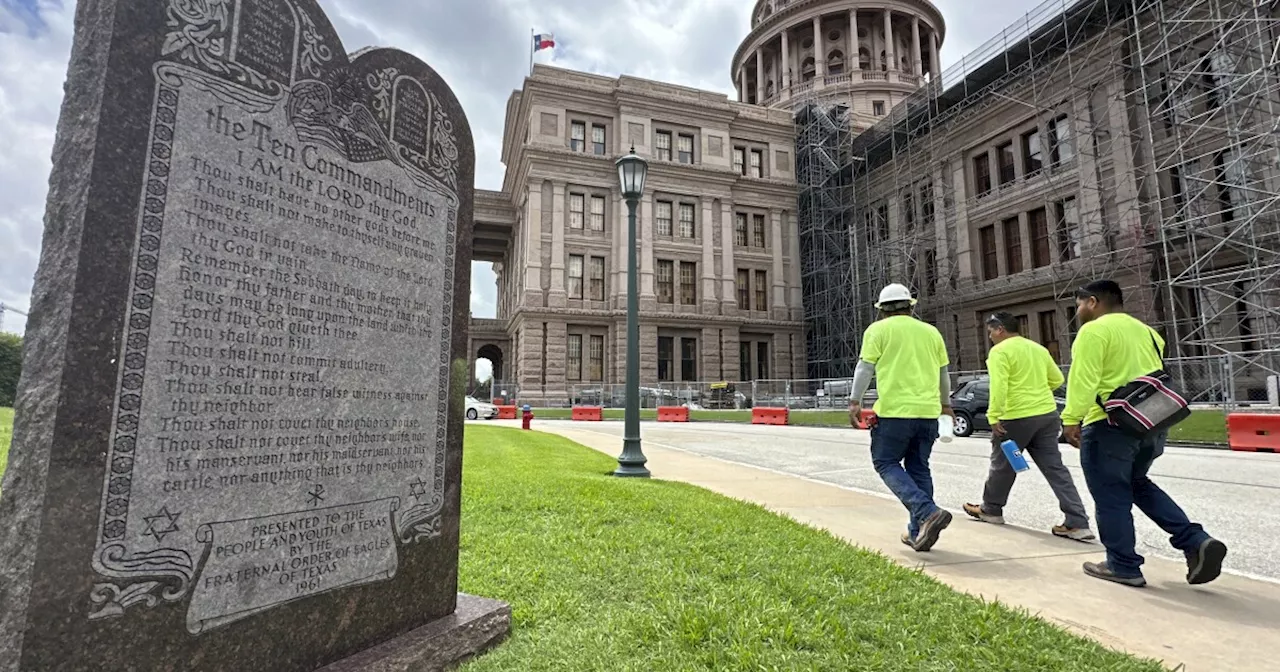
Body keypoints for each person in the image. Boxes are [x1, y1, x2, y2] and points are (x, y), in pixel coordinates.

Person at [1062, 280, 1228, 587]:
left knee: (1111, 494)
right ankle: (1195, 540)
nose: (1079, 312)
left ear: (1094, 302)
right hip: (1150, 423)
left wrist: (1071, 418)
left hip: (1109, 424)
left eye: (1079, 305)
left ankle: (1122, 565)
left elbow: (1084, 378)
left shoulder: (1093, 331)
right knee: (1138, 484)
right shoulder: (1148, 333)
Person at [963, 312, 1094, 541]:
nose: (991, 336)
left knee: (1004, 465)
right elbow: (1057, 380)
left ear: (1000, 329)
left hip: (1015, 421)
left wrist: (994, 415)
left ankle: (992, 509)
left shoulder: (1000, 352)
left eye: (991, 331)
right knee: (1055, 469)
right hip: (1046, 417)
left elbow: (1000, 386)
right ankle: (1078, 522)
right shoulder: (1038, 349)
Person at [849, 283, 954, 552]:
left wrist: (855, 401)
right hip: (928, 413)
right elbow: (943, 374)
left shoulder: (878, 330)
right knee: (919, 468)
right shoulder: (931, 332)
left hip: (895, 413)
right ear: (911, 305)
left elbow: (865, 367)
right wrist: (946, 404)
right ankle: (918, 532)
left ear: (882, 309)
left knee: (885, 462)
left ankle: (927, 512)